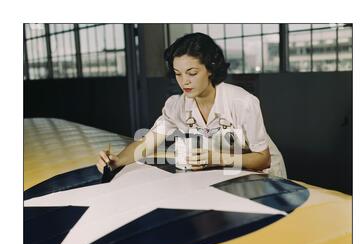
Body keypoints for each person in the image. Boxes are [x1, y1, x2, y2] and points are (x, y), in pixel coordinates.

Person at [96, 32, 286, 178]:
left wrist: (217, 158)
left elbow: (263, 158)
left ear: (210, 69)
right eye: (178, 74)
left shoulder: (242, 102)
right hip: (227, 172)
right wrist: (117, 160)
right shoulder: (176, 106)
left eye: (192, 73)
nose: (184, 81)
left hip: (267, 175)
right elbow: (147, 142)